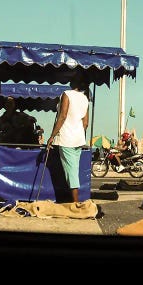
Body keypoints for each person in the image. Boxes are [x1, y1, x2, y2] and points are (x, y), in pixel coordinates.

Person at [46, 73, 89, 203]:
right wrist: (78, 134)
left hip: (66, 138)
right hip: (78, 139)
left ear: (71, 83)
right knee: (73, 169)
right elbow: (85, 123)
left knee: (71, 172)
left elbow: (63, 116)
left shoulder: (67, 94)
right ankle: (73, 200)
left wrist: (52, 136)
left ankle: (75, 202)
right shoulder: (84, 98)